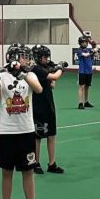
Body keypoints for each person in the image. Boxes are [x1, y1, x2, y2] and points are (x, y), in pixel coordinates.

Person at [0, 44, 50, 199]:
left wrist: (22, 74)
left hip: (26, 130)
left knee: (28, 171)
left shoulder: (29, 75)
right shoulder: (1, 76)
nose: (27, 60)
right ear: (12, 57)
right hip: (6, 131)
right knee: (7, 171)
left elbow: (38, 89)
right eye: (23, 56)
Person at [30, 45, 64, 174]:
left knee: (51, 134)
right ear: (38, 57)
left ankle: (52, 163)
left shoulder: (44, 68)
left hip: (49, 104)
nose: (47, 59)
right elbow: (54, 77)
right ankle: (35, 163)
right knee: (37, 136)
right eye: (44, 57)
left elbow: (52, 85)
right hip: (38, 105)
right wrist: (60, 68)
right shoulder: (35, 69)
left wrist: (54, 68)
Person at [76, 36, 95, 109]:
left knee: (87, 87)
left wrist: (94, 45)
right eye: (82, 42)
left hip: (89, 71)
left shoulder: (88, 49)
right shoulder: (79, 50)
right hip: (82, 71)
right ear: (80, 43)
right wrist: (93, 50)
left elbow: (95, 53)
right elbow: (86, 55)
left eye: (85, 42)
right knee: (82, 87)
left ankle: (86, 102)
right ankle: (80, 103)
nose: (84, 43)